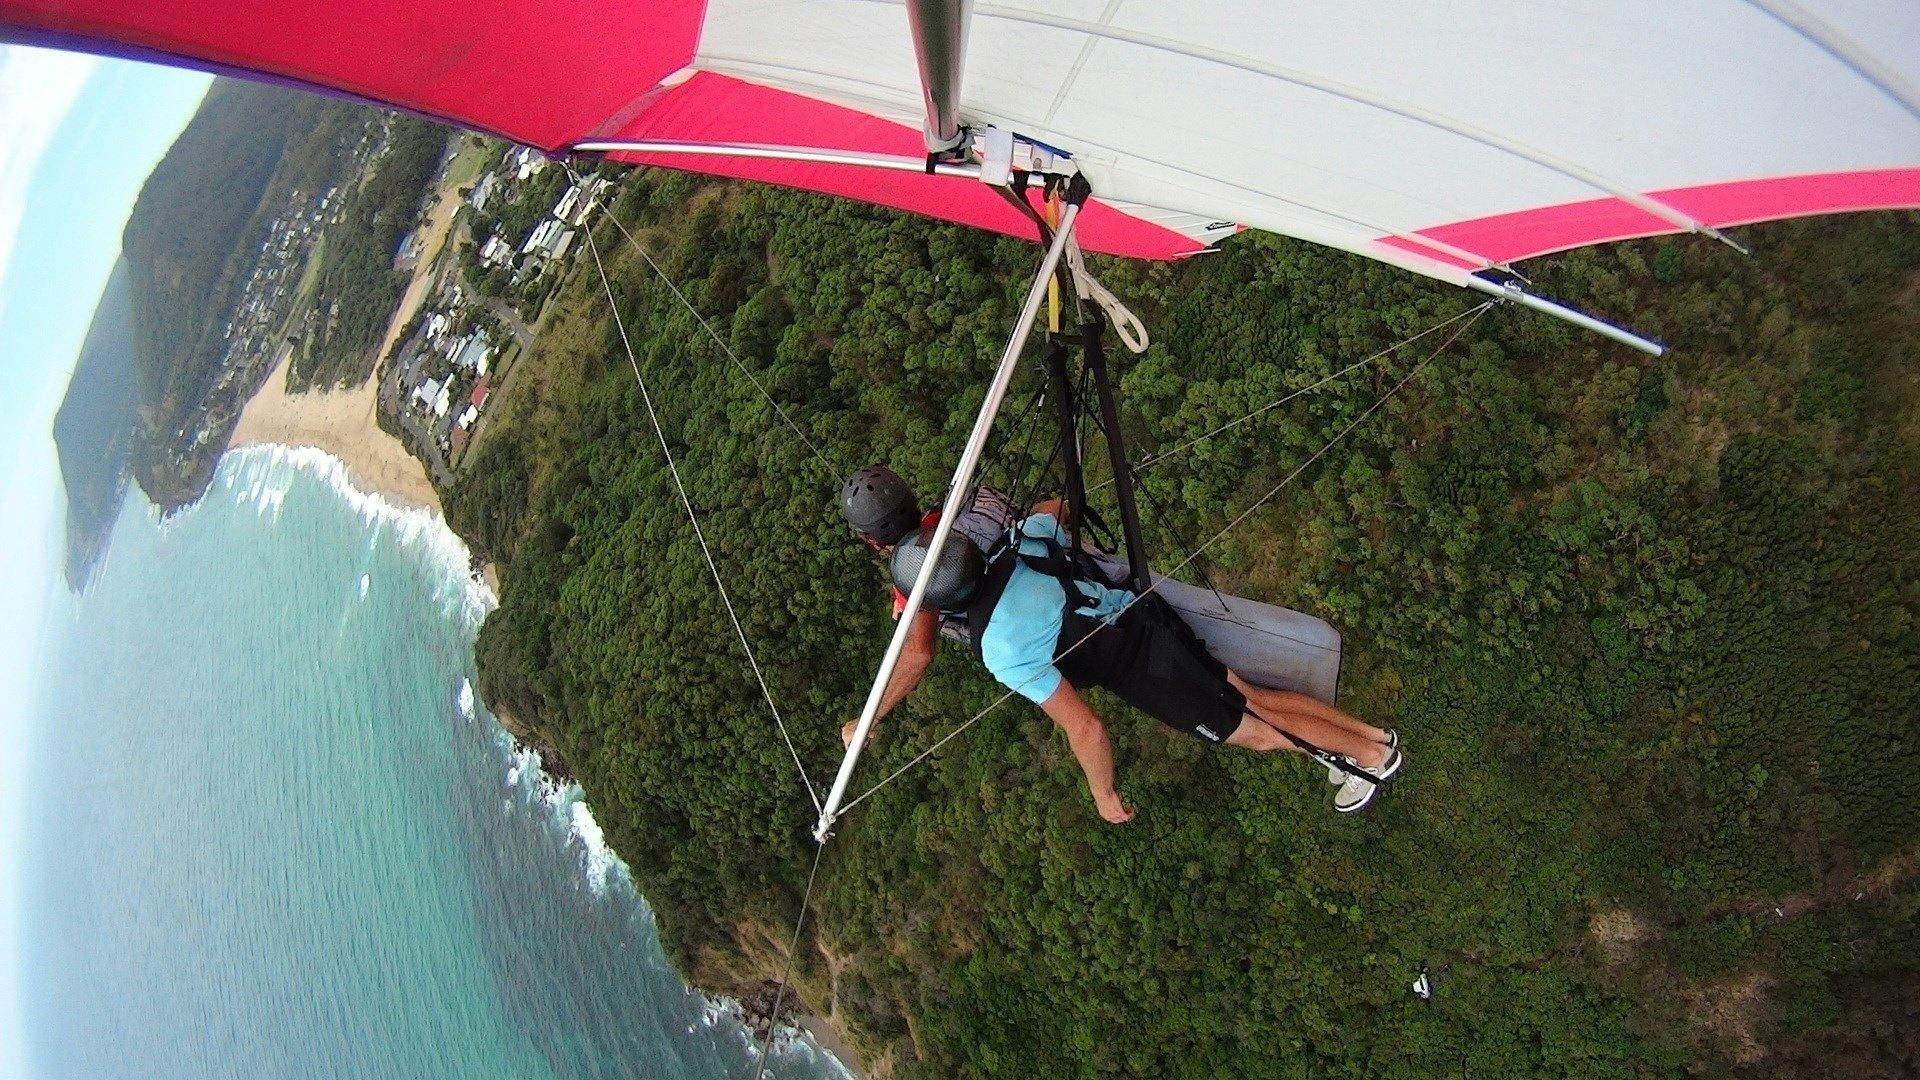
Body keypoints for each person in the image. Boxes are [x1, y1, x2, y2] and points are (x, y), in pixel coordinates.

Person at [888, 511, 1402, 820]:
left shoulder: (999, 646)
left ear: (934, 604)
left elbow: (1085, 726)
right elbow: (1056, 510)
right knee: (1252, 697)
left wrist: (1103, 793)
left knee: (1253, 729)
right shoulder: (1017, 541)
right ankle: (1375, 739)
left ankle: (1366, 759)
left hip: (1148, 671)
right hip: (1152, 619)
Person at [836, 465, 1016, 747]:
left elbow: (919, 654)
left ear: (872, 542)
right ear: (911, 499)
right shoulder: (969, 499)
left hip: (1036, 632)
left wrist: (867, 720)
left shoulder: (918, 580)